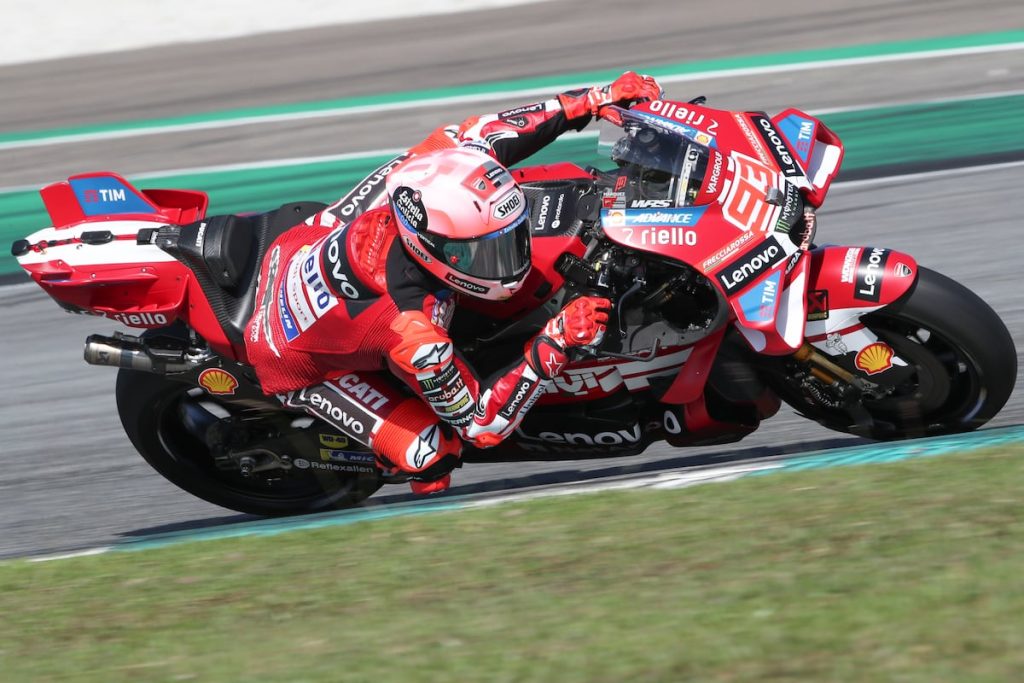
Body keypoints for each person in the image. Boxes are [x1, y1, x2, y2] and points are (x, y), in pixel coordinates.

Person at [245, 71, 664, 493]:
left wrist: (594, 98)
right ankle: (382, 457)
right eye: (486, 252)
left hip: (298, 244)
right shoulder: (415, 334)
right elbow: (482, 425)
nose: (509, 260)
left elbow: (485, 132)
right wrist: (555, 341)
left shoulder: (428, 169)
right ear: (433, 249)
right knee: (434, 453)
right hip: (289, 356)